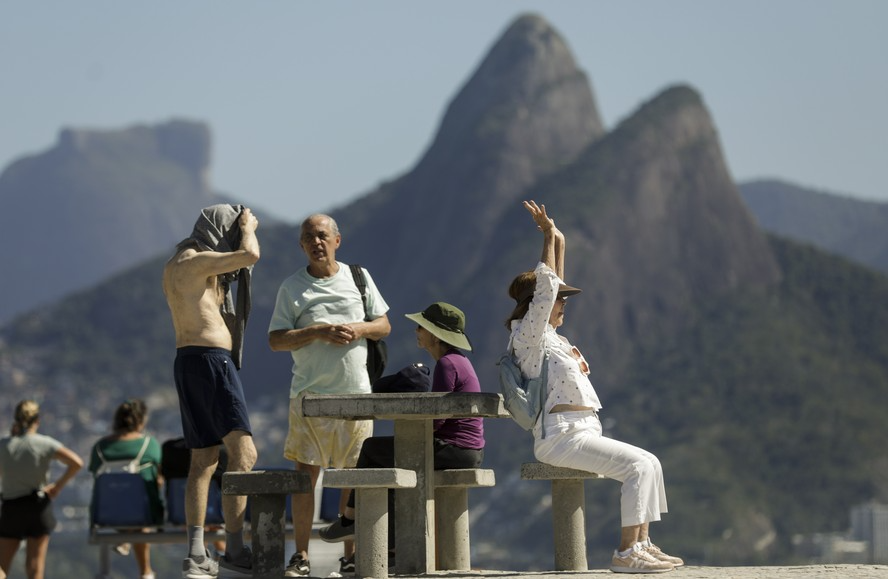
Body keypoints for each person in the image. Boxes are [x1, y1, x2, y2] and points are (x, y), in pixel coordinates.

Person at [505, 200, 683, 574]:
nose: (562, 303)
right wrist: (547, 241)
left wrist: (558, 238)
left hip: (582, 430)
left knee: (650, 462)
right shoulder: (526, 337)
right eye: (557, 301)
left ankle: (642, 543)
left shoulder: (551, 336)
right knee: (637, 466)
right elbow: (547, 287)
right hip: (560, 437)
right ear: (534, 305)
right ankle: (625, 553)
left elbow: (554, 283)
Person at [268, 213, 391, 577]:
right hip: (309, 395)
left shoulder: (359, 277)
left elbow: (383, 325)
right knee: (306, 475)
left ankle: (350, 556)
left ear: (338, 240)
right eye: (308, 237)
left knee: (352, 475)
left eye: (322, 235)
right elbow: (275, 340)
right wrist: (317, 332)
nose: (316, 242)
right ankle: (301, 556)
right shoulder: (292, 288)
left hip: (356, 393)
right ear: (302, 246)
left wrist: (358, 328)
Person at [317, 302, 485, 566]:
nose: (416, 331)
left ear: (433, 332)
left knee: (373, 449)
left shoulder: (446, 364)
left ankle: (349, 519)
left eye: (420, 326)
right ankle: (392, 549)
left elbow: (436, 418)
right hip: (468, 450)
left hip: (454, 449)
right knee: (395, 463)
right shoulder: (458, 361)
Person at [163, 204, 260, 579]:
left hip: (187, 361)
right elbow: (250, 254)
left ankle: (196, 554)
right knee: (245, 454)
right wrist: (248, 228)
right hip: (212, 362)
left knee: (203, 459)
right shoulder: (198, 261)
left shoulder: (174, 265)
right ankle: (234, 548)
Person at [0, 400, 83, 579]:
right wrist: (57, 486)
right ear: (37, 420)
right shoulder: (44, 443)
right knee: (35, 567)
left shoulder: (4, 445)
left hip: (11, 507)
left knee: (1, 566)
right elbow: (76, 463)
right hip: (38, 506)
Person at [88, 399, 163, 579]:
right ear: (140, 421)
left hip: (106, 513)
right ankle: (145, 571)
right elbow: (161, 476)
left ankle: (125, 535)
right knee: (141, 500)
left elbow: (96, 476)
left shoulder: (100, 447)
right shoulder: (149, 444)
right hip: (144, 513)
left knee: (121, 495)